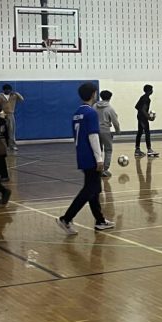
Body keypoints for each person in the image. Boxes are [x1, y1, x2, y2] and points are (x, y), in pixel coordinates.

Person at [56, 83, 115, 234]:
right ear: (94, 94)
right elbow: (93, 136)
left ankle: (100, 220)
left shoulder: (77, 112)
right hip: (91, 156)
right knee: (89, 190)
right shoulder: (91, 113)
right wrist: (99, 158)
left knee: (94, 189)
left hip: (81, 154)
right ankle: (66, 218)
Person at [96, 89, 121, 177]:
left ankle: (97, 169)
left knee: (98, 150)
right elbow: (115, 121)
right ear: (110, 98)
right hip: (105, 130)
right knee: (108, 150)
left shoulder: (94, 106)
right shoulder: (110, 108)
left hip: (95, 131)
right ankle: (105, 170)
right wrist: (117, 131)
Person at [0, 84, 25, 150]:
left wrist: (17, 94)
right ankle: (4, 146)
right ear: (3, 90)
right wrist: (0, 114)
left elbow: (22, 99)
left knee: (11, 130)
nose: (8, 91)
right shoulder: (0, 96)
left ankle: (12, 145)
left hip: (11, 114)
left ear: (11, 90)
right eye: (6, 89)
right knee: (2, 130)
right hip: (2, 114)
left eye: (9, 89)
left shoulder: (14, 95)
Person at [134, 85, 158, 158]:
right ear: (149, 91)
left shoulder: (142, 97)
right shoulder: (147, 99)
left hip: (139, 116)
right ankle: (149, 150)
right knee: (147, 132)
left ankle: (137, 150)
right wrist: (149, 117)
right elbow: (143, 110)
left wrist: (141, 114)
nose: (152, 91)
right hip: (143, 118)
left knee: (140, 132)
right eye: (152, 89)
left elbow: (136, 107)